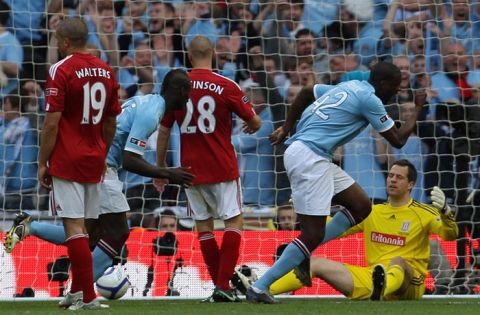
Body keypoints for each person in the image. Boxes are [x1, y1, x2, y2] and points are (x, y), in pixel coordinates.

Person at [3, 70, 194, 306]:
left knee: (87, 234)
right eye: (188, 93)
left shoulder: (144, 101)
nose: (189, 99)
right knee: (117, 232)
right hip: (102, 167)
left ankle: (30, 226)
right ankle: (81, 293)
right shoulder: (152, 112)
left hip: (92, 162)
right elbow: (130, 159)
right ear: (181, 91)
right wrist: (168, 173)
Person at [247, 61, 425, 304]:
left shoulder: (351, 85)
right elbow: (398, 140)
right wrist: (417, 109)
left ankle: (300, 251)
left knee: (361, 206)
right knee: (312, 232)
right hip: (310, 158)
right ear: (383, 84)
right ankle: (260, 287)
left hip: (314, 155)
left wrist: (287, 128)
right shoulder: (370, 100)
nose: (396, 91)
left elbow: (307, 92)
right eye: (394, 87)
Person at [156, 35, 261, 302]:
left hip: (190, 171)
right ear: (213, 53)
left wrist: (160, 168)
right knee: (234, 223)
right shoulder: (226, 84)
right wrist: (252, 124)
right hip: (223, 166)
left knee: (203, 227)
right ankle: (223, 285)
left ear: (189, 57)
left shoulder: (178, 85)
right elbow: (255, 121)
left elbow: (164, 130)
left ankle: (221, 287)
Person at [267, 160, 458, 301]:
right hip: (372, 277)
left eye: (399, 177)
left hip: (409, 286)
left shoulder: (423, 213)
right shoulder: (372, 211)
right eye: (391, 175)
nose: (392, 180)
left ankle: (381, 289)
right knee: (313, 264)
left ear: (410, 185)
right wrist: (308, 207)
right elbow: (335, 229)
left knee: (398, 261)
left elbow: (450, 235)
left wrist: (446, 213)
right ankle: (261, 289)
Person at [31, 17, 121, 311]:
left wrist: (43, 161)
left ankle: (87, 297)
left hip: (68, 158)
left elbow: (52, 124)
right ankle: (78, 292)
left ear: (66, 42)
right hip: (95, 158)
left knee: (74, 227)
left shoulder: (61, 69)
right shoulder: (107, 71)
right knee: (83, 227)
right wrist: (102, 151)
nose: (57, 45)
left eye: (57, 40)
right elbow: (111, 121)